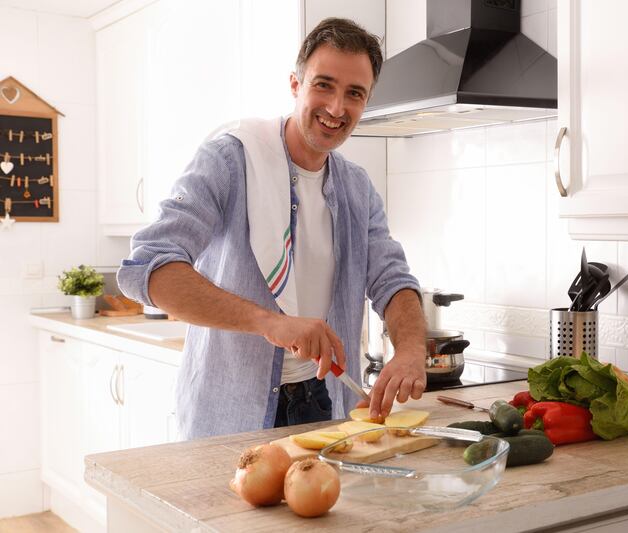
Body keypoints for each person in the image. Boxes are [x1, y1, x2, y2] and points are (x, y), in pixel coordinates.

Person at [117, 18, 427, 440]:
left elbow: (393, 280)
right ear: (295, 84)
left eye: (354, 94)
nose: (337, 108)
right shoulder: (230, 162)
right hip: (231, 412)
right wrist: (271, 323)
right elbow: (147, 268)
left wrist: (410, 350)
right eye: (324, 85)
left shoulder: (358, 189)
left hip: (326, 405)